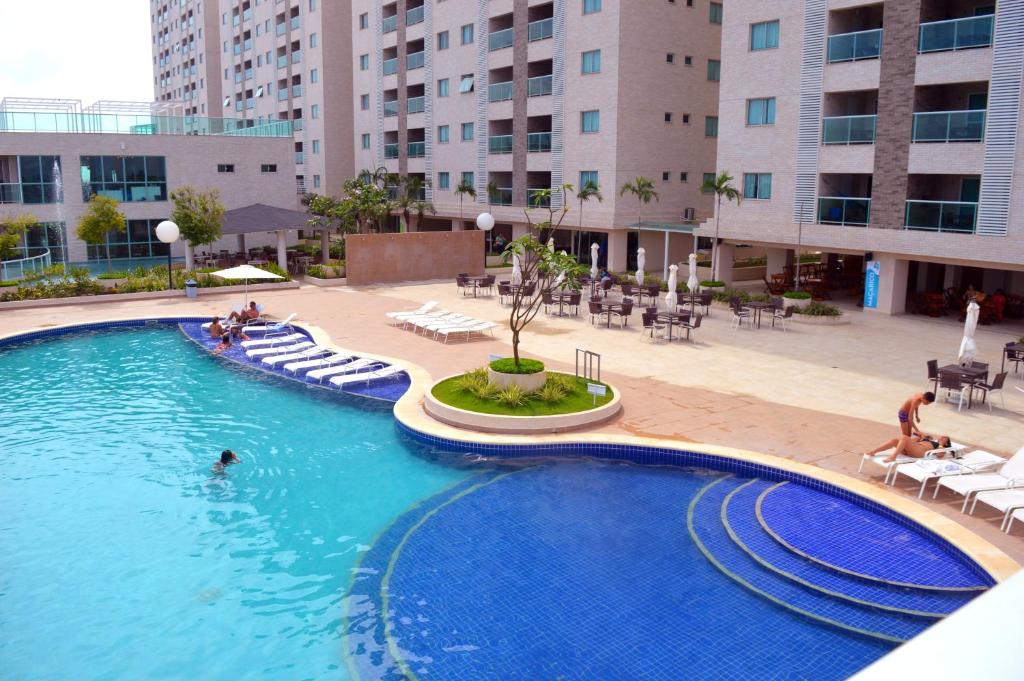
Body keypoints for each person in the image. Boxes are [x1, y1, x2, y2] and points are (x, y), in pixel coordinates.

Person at [865, 433, 952, 463]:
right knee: (895, 440)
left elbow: (940, 456)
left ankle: (893, 457)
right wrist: (919, 438)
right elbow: (910, 441)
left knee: (904, 437)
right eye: (942, 436)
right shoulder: (931, 440)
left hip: (919, 452)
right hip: (913, 449)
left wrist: (941, 444)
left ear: (947, 442)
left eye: (945, 438)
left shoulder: (942, 447)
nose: (942, 437)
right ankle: (874, 451)